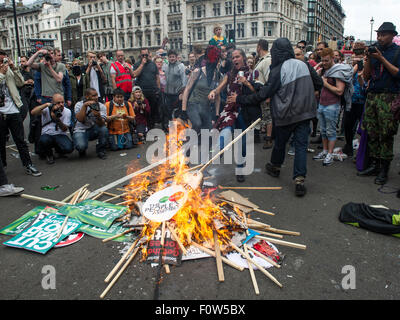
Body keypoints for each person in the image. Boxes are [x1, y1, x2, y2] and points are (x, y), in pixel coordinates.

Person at [227, 38, 317, 197]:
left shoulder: (278, 69)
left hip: (285, 114)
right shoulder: (304, 65)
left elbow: (263, 94)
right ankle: (299, 180)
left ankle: (275, 167)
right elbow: (318, 83)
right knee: (301, 146)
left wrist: (240, 99)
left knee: (280, 143)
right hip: (305, 112)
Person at [209, 48, 260, 183]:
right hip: (230, 110)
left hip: (244, 111)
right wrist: (214, 92)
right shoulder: (229, 74)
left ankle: (240, 169)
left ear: (243, 57)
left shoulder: (252, 73)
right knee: (224, 133)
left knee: (242, 142)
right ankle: (215, 156)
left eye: (237, 57)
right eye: (233, 57)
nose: (235, 59)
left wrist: (246, 82)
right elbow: (219, 88)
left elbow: (257, 93)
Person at [358, 22, 400, 185]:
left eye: (383, 34)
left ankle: (384, 169)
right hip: (373, 96)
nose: (380, 38)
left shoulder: (397, 52)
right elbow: (367, 76)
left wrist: (381, 58)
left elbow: (397, 74)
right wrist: (369, 58)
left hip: (389, 96)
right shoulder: (375, 51)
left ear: (392, 35)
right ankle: (375, 165)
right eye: (378, 34)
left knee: (386, 133)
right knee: (372, 132)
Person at [0, 50, 42, 176]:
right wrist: (2, 73)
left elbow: (20, 83)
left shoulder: (9, 71)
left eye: (4, 60)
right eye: (1, 61)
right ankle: (3, 167)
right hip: (0, 112)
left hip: (13, 109)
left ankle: (28, 164)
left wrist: (14, 69)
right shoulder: (2, 72)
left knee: (20, 139)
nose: (3, 63)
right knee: (1, 141)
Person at [312, 48, 353, 167]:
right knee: (323, 130)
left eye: (326, 60)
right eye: (322, 60)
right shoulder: (324, 71)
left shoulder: (338, 71)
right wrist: (320, 65)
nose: (324, 63)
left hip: (332, 105)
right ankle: (325, 151)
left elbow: (340, 91)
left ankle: (329, 153)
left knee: (331, 131)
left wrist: (325, 83)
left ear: (333, 59)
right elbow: (313, 73)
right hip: (322, 104)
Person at [181, 45, 222, 135]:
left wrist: (216, 114)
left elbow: (218, 95)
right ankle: (186, 144)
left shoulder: (218, 75)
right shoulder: (197, 72)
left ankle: (196, 144)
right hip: (193, 104)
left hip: (205, 107)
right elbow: (187, 90)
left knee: (209, 132)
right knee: (197, 124)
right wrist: (183, 110)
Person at [31, 93, 74, 164]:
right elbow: (33, 112)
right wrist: (46, 105)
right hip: (47, 134)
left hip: (60, 134)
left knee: (69, 148)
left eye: (62, 102)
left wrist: (57, 119)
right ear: (52, 103)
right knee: (44, 140)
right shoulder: (47, 109)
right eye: (58, 103)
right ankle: (49, 154)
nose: (61, 104)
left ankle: (59, 150)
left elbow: (64, 129)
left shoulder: (67, 111)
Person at [342, 42, 367, 158]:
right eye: (356, 51)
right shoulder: (350, 63)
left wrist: (361, 67)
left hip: (363, 101)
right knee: (347, 125)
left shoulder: (368, 63)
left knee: (363, 128)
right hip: (351, 100)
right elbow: (346, 78)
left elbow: (366, 83)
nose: (358, 54)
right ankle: (348, 146)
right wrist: (353, 66)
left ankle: (362, 152)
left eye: (361, 51)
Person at [73, 88, 109, 159]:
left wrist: (98, 115)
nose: (96, 97)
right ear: (87, 96)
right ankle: (82, 149)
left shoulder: (101, 106)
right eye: (93, 96)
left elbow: (102, 124)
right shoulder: (79, 104)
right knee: (81, 146)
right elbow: (80, 119)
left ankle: (100, 150)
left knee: (104, 129)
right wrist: (84, 106)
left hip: (93, 129)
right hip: (80, 130)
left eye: (96, 95)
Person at [132, 48, 161, 128]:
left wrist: (158, 88)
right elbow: (134, 75)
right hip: (141, 92)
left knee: (152, 110)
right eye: (143, 55)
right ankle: (143, 126)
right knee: (142, 110)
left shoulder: (153, 64)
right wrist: (142, 64)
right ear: (140, 55)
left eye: (146, 55)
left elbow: (157, 77)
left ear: (149, 55)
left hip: (152, 91)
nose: (145, 56)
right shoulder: (137, 64)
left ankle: (151, 126)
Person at [253, 39, 273, 148]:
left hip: (264, 91)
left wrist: (268, 95)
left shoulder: (267, 60)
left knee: (268, 115)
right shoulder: (261, 60)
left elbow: (268, 78)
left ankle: (269, 138)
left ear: (259, 47)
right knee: (264, 115)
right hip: (259, 92)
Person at [162, 49, 187, 131]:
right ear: (168, 58)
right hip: (167, 93)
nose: (172, 58)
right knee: (168, 112)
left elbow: (184, 80)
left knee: (177, 112)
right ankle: (171, 129)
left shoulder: (181, 66)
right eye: (170, 57)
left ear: (176, 57)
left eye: (173, 57)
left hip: (177, 94)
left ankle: (179, 129)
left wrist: (183, 92)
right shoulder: (165, 66)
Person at [18, 56, 35, 121]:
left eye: (23, 61)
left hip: (33, 95)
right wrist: (25, 82)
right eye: (20, 62)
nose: (22, 63)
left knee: (34, 116)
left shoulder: (33, 71)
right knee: (23, 113)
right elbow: (17, 83)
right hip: (24, 95)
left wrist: (33, 82)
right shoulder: (19, 73)